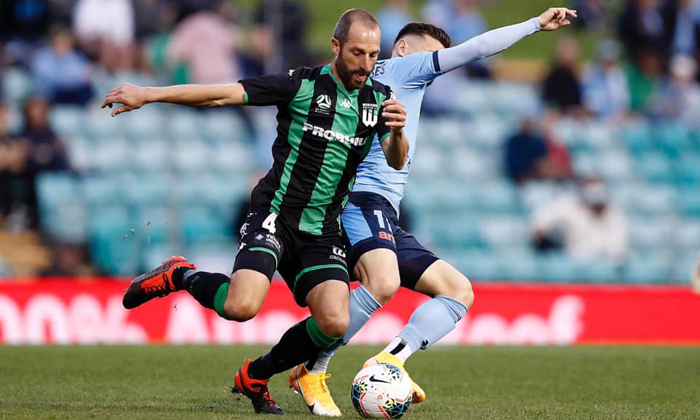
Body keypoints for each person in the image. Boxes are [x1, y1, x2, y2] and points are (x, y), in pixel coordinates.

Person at [101, 9, 408, 415]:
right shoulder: (300, 85)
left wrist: (399, 132)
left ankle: (256, 375)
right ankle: (180, 274)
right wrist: (149, 93)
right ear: (336, 47)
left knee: (335, 322)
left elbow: (396, 160)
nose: (365, 65)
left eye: (372, 55)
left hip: (322, 230)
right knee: (240, 308)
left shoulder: (378, 99)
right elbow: (221, 94)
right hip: (275, 215)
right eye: (356, 53)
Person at [289, 7, 578, 417]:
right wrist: (534, 25)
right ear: (403, 48)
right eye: (433, 56)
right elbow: (476, 48)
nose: (437, 67)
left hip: (382, 211)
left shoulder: (357, 78)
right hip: (362, 202)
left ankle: (389, 361)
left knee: (458, 291)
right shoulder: (404, 69)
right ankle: (313, 366)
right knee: (382, 282)